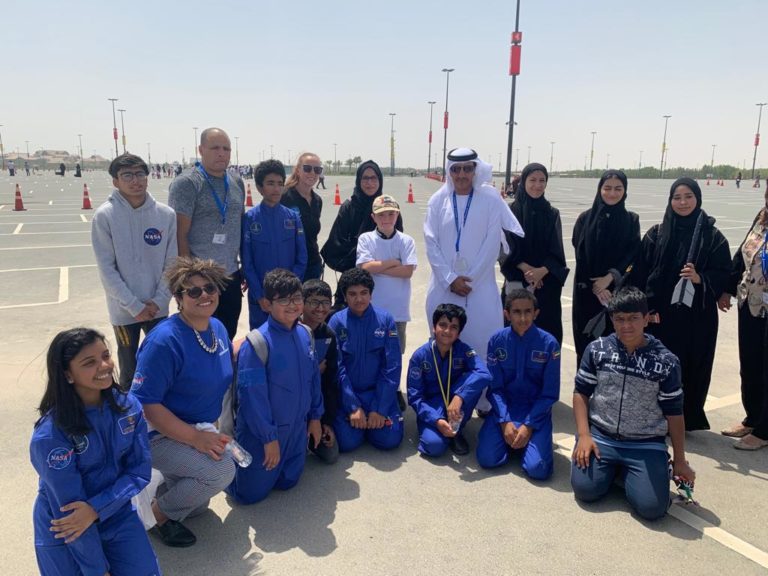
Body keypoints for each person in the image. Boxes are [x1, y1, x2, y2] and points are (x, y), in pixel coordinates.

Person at [31, 328, 160, 575]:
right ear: (68, 374)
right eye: (89, 362)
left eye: (106, 355)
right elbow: (71, 515)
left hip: (115, 512)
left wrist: (97, 509)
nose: (104, 365)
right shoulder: (51, 435)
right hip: (65, 529)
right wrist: (97, 570)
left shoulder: (128, 407)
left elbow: (139, 471)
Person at [132, 257, 236, 547]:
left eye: (209, 288)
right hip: (158, 434)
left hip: (198, 428)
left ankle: (160, 490)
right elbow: (146, 404)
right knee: (222, 472)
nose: (204, 295)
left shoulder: (217, 328)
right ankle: (155, 517)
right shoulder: (164, 341)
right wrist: (196, 439)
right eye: (193, 291)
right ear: (178, 298)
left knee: (198, 506)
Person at [570, 287, 695, 521]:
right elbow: (581, 393)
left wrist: (680, 460)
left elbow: (674, 413)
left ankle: (640, 471)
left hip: (644, 443)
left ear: (647, 319)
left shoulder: (666, 362)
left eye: (634, 318)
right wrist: (584, 435)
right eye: (620, 319)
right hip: (602, 437)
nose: (626, 326)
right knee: (586, 490)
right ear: (612, 320)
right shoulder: (597, 350)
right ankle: (618, 471)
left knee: (652, 509)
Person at [423, 147, 523, 412]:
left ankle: (482, 402)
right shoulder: (437, 201)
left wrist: (470, 281)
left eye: (468, 168)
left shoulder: (490, 200)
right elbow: (430, 243)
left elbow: (492, 244)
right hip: (444, 288)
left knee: (482, 341)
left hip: (480, 289)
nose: (462, 174)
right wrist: (449, 279)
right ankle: (445, 400)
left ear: (476, 170)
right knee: (444, 343)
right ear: (449, 171)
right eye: (456, 169)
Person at [630, 177, 731, 431]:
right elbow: (641, 272)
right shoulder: (658, 233)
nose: (683, 202)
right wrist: (645, 310)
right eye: (677, 197)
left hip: (696, 319)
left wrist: (700, 279)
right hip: (659, 318)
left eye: (688, 197)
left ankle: (685, 418)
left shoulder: (712, 237)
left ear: (698, 199)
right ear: (670, 200)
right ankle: (654, 416)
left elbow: (724, 272)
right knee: (656, 366)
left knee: (691, 367)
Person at [227, 270, 323, 504]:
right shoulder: (257, 344)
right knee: (248, 495)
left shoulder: (306, 334)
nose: (292, 305)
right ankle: (226, 458)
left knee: (289, 481)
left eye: (297, 298)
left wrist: (315, 418)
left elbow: (313, 381)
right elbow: (252, 399)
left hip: (296, 430)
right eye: (283, 300)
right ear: (267, 304)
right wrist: (269, 440)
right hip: (263, 434)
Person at [92, 153, 177, 390]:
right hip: (123, 311)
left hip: (157, 308)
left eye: (140, 174)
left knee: (160, 362)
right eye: (127, 175)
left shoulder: (165, 215)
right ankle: (129, 416)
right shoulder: (105, 216)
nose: (135, 180)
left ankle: (161, 414)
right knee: (128, 368)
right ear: (115, 181)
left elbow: (172, 263)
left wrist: (159, 300)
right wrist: (134, 306)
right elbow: (106, 269)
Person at [169, 127, 245, 340]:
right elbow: (180, 235)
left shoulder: (236, 181)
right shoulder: (187, 183)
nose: (222, 153)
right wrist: (185, 282)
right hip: (199, 283)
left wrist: (244, 266)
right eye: (215, 148)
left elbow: (239, 227)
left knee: (226, 334)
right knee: (198, 336)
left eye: (226, 148)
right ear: (200, 149)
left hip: (230, 275)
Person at [476, 289, 560, 480]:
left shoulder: (549, 344)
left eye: (528, 311)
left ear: (535, 313)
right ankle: (512, 440)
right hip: (504, 410)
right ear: (507, 314)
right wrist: (505, 421)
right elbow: (495, 388)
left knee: (537, 469)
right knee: (487, 459)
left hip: (535, 412)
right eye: (516, 312)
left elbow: (549, 393)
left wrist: (528, 426)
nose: (523, 318)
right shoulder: (497, 341)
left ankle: (527, 442)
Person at [328, 268, 403, 452]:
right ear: (345, 296)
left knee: (389, 440)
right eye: (352, 294)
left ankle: (376, 418)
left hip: (378, 393)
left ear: (371, 294)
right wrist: (352, 407)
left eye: (364, 293)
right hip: (349, 394)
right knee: (347, 443)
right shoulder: (336, 322)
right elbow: (337, 368)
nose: (359, 299)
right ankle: (360, 421)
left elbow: (392, 366)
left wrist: (379, 409)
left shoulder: (385, 320)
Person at [571, 170, 640, 364]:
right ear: (600, 189)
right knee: (586, 347)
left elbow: (632, 255)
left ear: (625, 191)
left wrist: (610, 278)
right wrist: (596, 286)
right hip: (586, 293)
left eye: (618, 188)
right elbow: (580, 253)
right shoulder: (585, 219)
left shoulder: (631, 220)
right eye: (607, 188)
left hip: (616, 293)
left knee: (616, 348)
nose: (612, 193)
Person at [718, 187, 768, 449]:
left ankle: (764, 431)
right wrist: (726, 289)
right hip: (750, 303)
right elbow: (741, 255)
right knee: (750, 363)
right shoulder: (761, 218)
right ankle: (753, 417)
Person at [407, 303, 490, 457]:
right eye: (443, 325)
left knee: (475, 380)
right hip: (431, 407)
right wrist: (436, 420)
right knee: (434, 446)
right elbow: (415, 397)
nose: (447, 331)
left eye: (453, 327)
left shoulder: (464, 350)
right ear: (434, 327)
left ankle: (456, 429)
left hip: (456, 404)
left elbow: (484, 374)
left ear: (459, 333)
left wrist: (459, 397)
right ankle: (444, 430)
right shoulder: (420, 356)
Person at [501, 162, 569, 344]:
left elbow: (557, 250)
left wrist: (542, 271)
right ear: (523, 181)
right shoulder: (509, 211)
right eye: (532, 180)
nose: (537, 185)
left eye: (542, 180)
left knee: (545, 339)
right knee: (513, 338)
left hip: (545, 286)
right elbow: (504, 247)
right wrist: (526, 269)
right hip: (516, 279)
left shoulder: (552, 213)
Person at [321, 160, 403, 308]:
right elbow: (335, 244)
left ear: (380, 180)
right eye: (365, 178)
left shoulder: (389, 209)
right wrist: (362, 261)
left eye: (374, 178)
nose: (369, 183)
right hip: (351, 281)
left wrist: (374, 264)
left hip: (383, 282)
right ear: (359, 180)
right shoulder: (348, 208)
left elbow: (397, 245)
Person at [241, 159, 307, 329]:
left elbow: (302, 257)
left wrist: (290, 292)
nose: (277, 189)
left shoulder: (293, 217)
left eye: (280, 183)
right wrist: (259, 295)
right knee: (261, 341)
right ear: (259, 187)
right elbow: (247, 262)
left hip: (288, 297)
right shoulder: (249, 219)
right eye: (270, 183)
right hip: (261, 300)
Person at [356, 194, 417, 353]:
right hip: (372, 309)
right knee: (371, 353)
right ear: (373, 217)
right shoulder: (366, 239)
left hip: (398, 312)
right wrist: (393, 262)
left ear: (398, 214)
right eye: (381, 214)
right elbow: (365, 267)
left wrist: (378, 266)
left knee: (395, 355)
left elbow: (407, 271)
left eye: (391, 213)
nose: (386, 218)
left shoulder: (406, 241)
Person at [301, 279, 340, 463]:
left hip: (317, 405)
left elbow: (331, 383)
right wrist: (314, 371)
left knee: (330, 455)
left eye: (325, 302)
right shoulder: (292, 331)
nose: (320, 308)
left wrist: (327, 422)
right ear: (302, 302)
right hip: (293, 406)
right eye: (314, 302)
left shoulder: (329, 336)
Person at [281, 152, 324, 280]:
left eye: (317, 170)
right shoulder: (284, 197)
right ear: (298, 170)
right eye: (307, 168)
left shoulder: (317, 200)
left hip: (313, 265)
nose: (312, 173)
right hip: (290, 266)